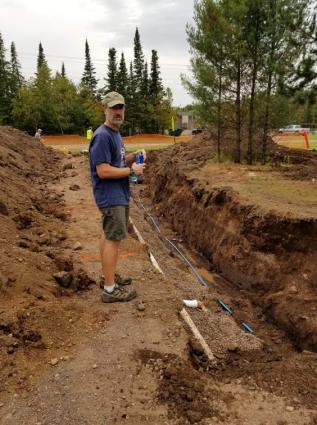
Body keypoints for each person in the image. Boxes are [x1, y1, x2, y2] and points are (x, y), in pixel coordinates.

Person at [89, 91, 145, 303]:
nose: (117, 111)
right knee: (113, 239)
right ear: (105, 109)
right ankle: (110, 290)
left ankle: (107, 277)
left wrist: (133, 157)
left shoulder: (115, 134)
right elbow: (103, 171)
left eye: (120, 107)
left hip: (117, 194)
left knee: (107, 234)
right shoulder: (103, 135)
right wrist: (133, 172)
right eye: (113, 108)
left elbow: (117, 162)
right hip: (111, 196)